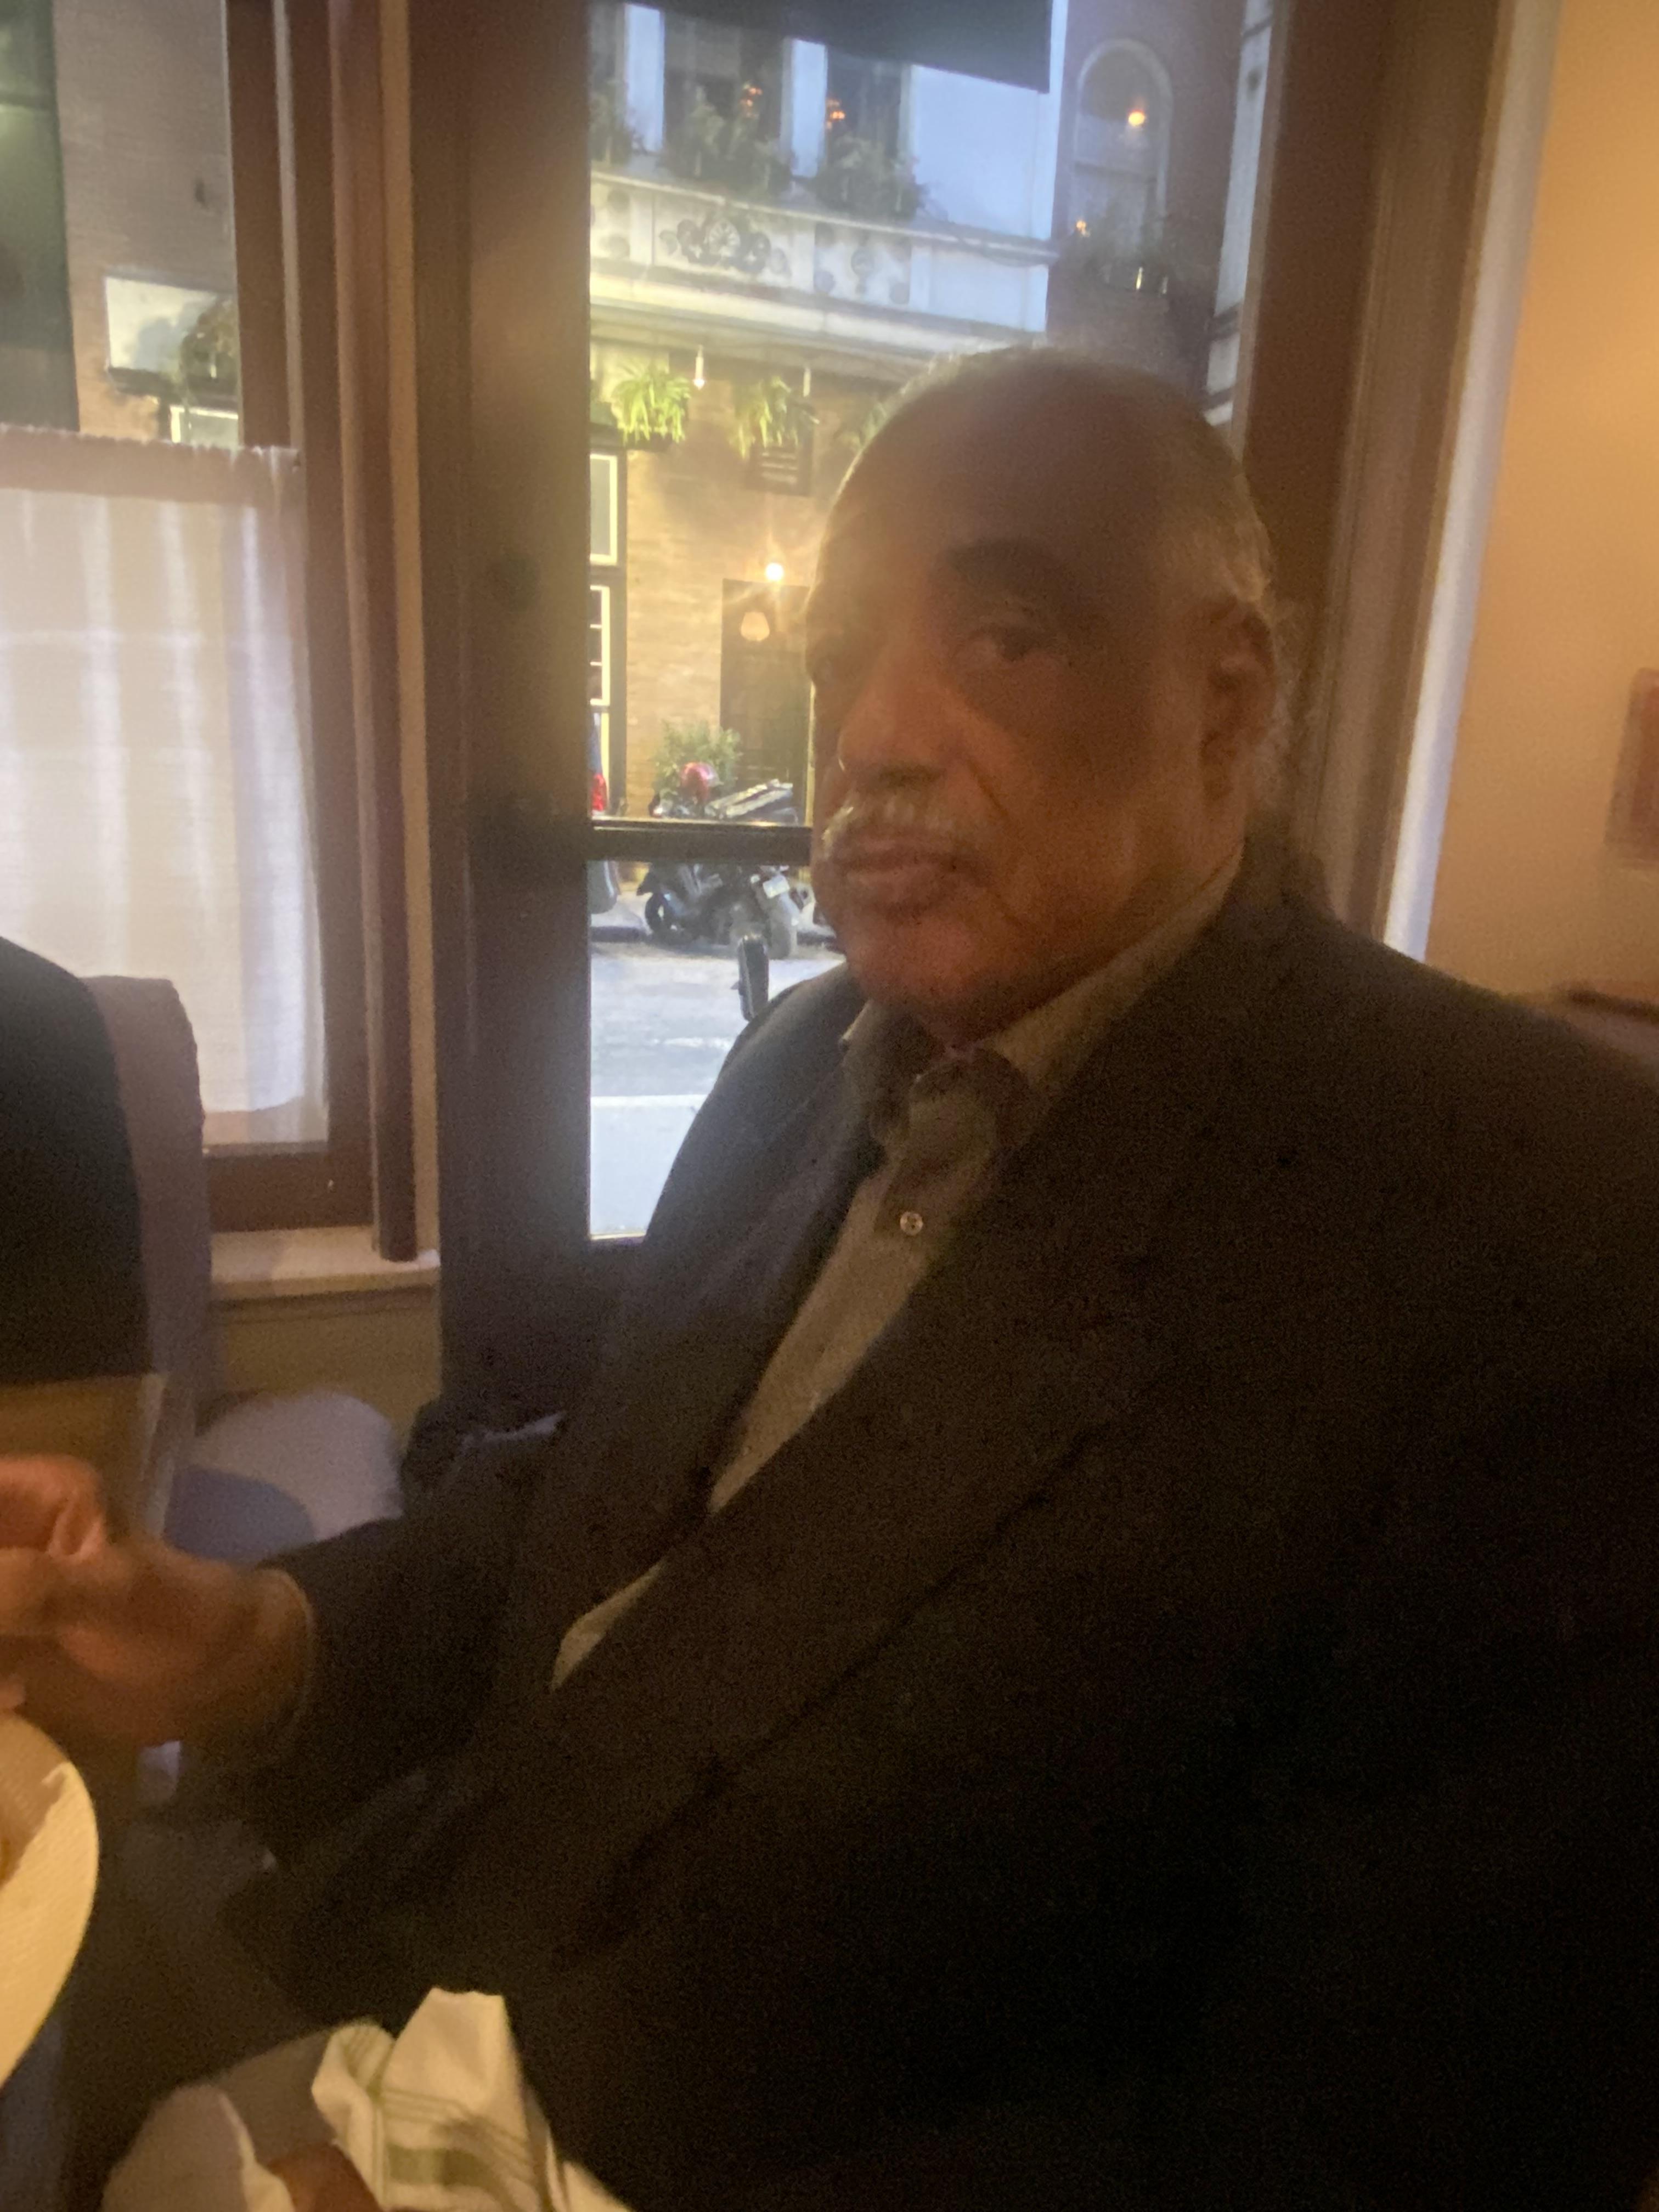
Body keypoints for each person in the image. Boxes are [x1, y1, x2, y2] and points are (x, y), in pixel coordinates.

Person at [3, 349, 1659, 2210]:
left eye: (1005, 637)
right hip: (431, 1952)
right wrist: (249, 1641)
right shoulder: (806, 1063)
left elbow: (1378, 2138)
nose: (870, 734)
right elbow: (600, 1504)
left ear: (1227, 696)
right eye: (837, 662)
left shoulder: (1531, 1229)